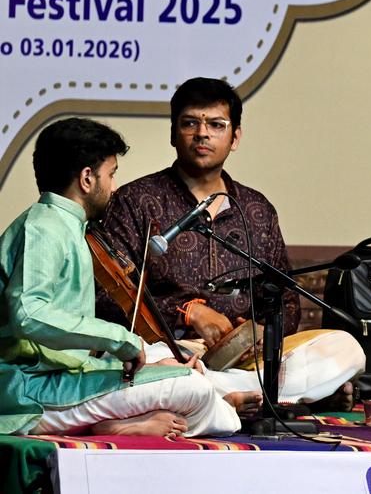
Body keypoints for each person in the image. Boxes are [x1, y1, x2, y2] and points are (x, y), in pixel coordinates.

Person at [96, 78, 364, 411]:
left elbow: (286, 300)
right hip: (171, 351)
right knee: (140, 364)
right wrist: (188, 313)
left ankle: (223, 397)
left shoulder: (257, 210)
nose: (202, 133)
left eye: (216, 125)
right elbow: (107, 300)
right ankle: (264, 399)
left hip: (245, 362)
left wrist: (263, 333)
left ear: (234, 137)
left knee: (344, 348)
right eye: (190, 123)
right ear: (173, 134)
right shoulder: (137, 201)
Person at [0, 118, 240, 438]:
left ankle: (119, 420)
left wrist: (140, 366)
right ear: (87, 178)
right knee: (194, 389)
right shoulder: (45, 228)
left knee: (169, 364)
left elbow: (65, 358)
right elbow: (28, 314)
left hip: (54, 378)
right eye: (111, 174)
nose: (114, 187)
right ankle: (109, 426)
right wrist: (118, 338)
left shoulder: (62, 225)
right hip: (28, 392)